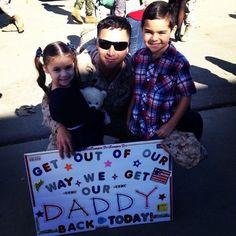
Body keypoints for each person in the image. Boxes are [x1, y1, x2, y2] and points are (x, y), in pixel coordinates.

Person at [41, 15, 132, 157]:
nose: (111, 52)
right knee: (56, 160)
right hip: (77, 127)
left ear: (128, 47)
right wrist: (59, 128)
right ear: (96, 43)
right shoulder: (77, 67)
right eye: (105, 44)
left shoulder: (136, 70)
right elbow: (48, 101)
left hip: (114, 124)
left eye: (120, 45)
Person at [127, 1, 203, 142]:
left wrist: (171, 124)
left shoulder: (178, 63)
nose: (154, 38)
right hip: (137, 126)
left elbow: (186, 96)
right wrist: (129, 115)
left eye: (161, 32)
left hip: (162, 131)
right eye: (148, 32)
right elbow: (136, 90)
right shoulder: (138, 57)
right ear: (142, 29)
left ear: (172, 31)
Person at [35, 41, 105, 152]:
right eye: (57, 70)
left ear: (73, 62)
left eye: (68, 67)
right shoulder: (55, 95)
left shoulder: (74, 82)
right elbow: (50, 116)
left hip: (86, 135)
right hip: (70, 142)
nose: (64, 74)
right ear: (46, 69)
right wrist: (59, 128)